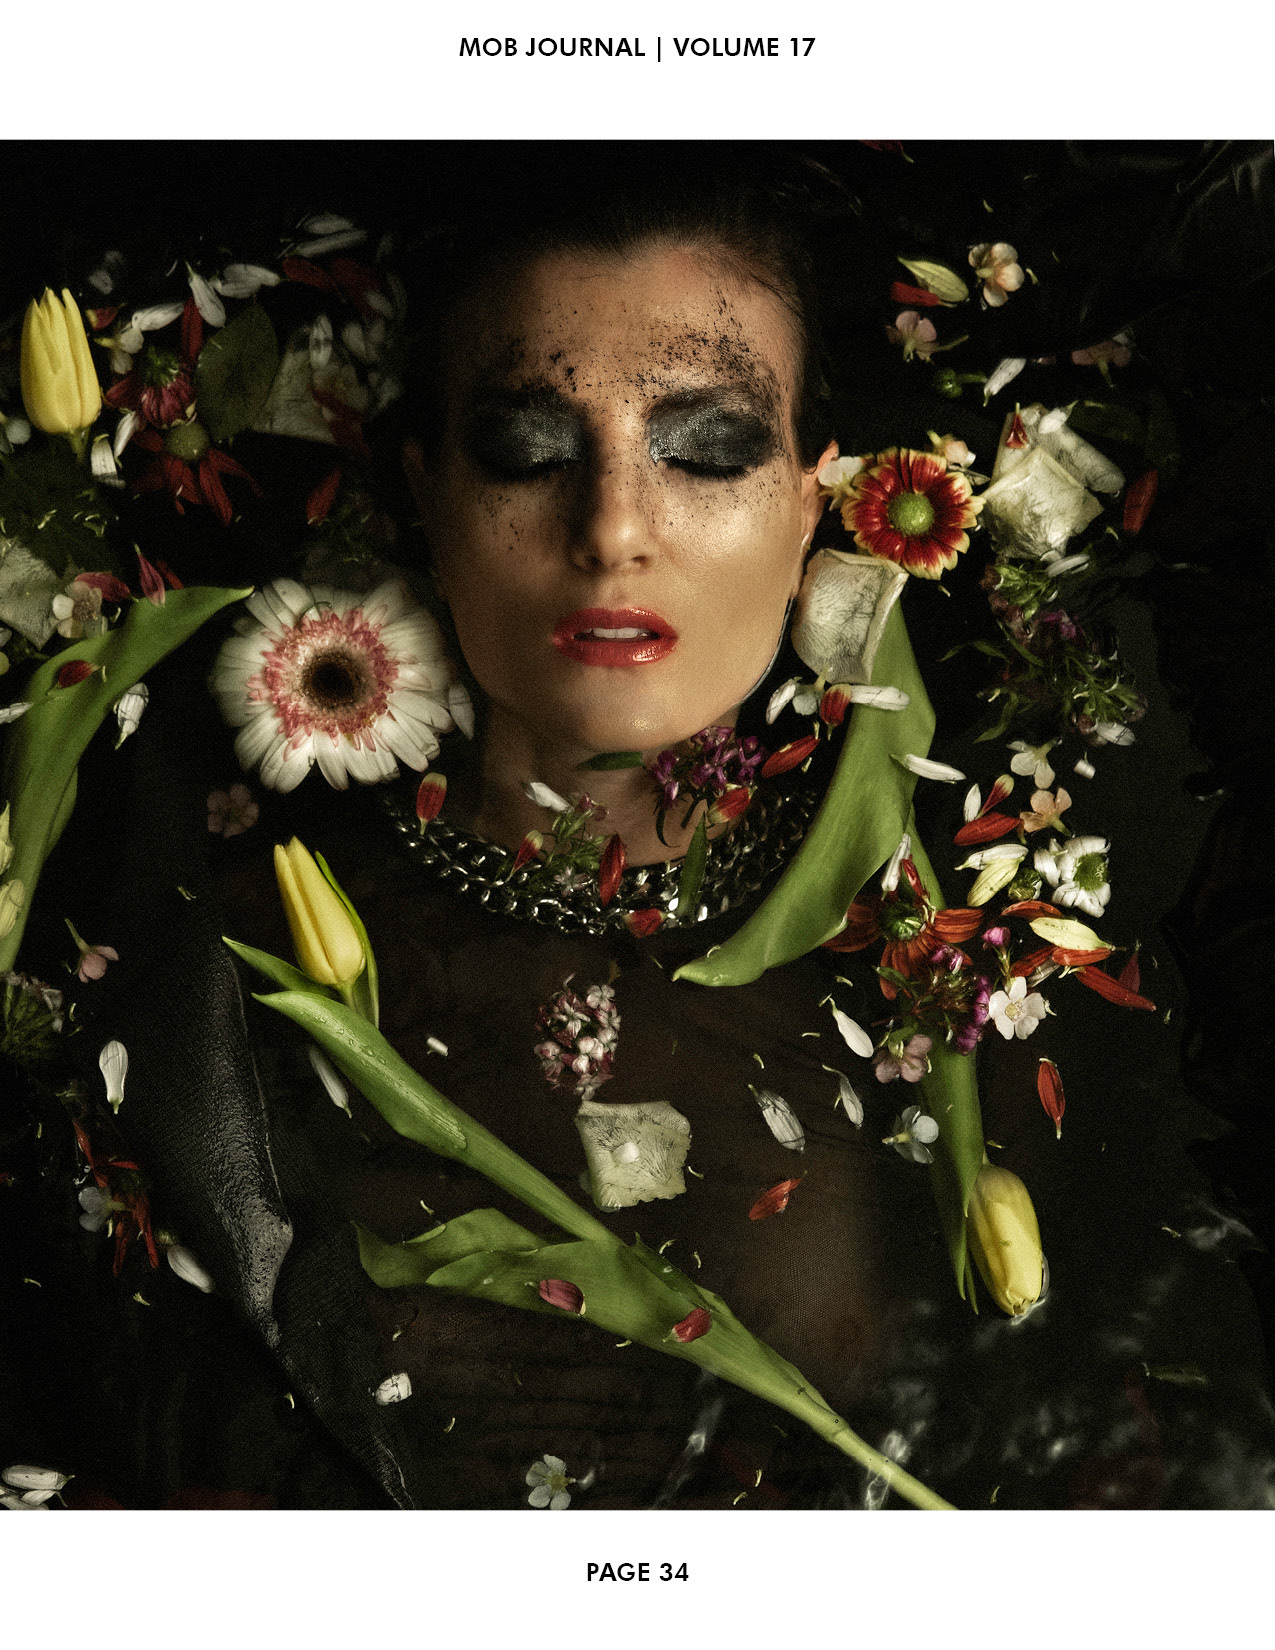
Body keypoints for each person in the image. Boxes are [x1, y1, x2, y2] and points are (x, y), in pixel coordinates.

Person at [4, 142, 1274, 1512]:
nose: (613, 526)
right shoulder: (201, 944)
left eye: (708, 450)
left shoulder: (989, 975)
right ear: (426, 489)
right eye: (529, 449)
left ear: (812, 503)